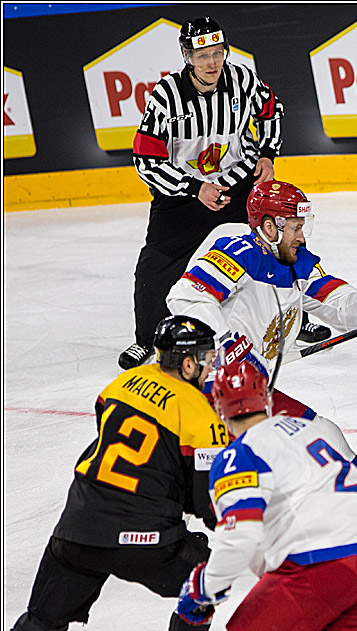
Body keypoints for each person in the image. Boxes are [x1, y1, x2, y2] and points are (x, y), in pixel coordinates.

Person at [165, 179, 357, 541]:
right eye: (296, 228)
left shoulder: (295, 264)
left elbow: (340, 303)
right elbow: (185, 297)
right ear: (269, 227)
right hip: (212, 397)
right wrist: (225, 344)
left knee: (324, 437)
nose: (302, 236)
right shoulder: (238, 253)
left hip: (250, 393)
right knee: (222, 488)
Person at [3, 316, 228, 631]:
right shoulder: (201, 415)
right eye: (206, 358)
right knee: (207, 581)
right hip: (147, 541)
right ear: (187, 363)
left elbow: (105, 427)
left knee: (37, 628)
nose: (210, 366)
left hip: (77, 527)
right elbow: (207, 505)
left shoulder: (122, 383)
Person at [177, 361, 357, 631]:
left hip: (320, 567)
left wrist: (205, 588)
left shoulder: (238, 454)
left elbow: (241, 537)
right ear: (266, 399)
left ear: (219, 409)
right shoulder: (308, 431)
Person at [120, 16, 285, 370]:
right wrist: (195, 189)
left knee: (266, 250)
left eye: (217, 53)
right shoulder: (166, 94)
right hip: (183, 194)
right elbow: (145, 159)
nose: (211, 63)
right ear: (187, 57)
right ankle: (146, 339)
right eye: (202, 55)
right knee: (158, 263)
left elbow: (271, 109)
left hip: (237, 184)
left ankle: (286, 319)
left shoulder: (242, 79)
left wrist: (268, 154)